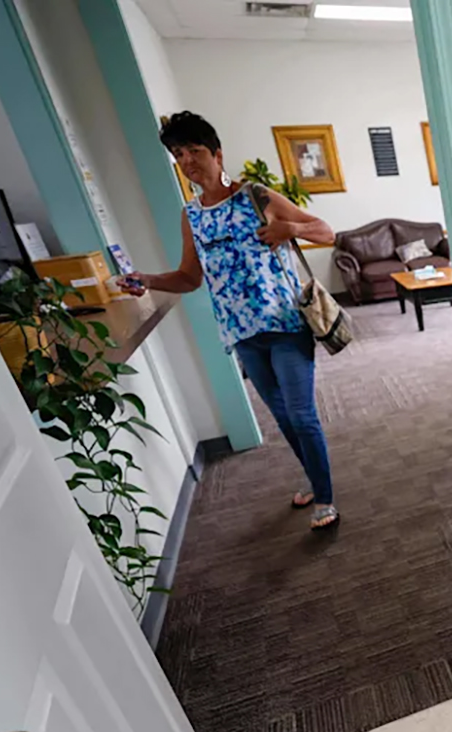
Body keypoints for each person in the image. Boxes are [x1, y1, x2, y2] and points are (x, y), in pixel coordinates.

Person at [125, 112, 340, 530]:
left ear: (218, 154)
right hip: (242, 335)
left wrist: (286, 228)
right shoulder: (191, 216)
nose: (188, 161)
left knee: (301, 414)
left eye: (195, 151)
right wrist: (148, 280)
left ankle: (326, 499)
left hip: (285, 324)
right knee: (283, 417)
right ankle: (316, 481)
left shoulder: (254, 195)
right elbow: (189, 277)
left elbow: (325, 231)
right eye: (179, 154)